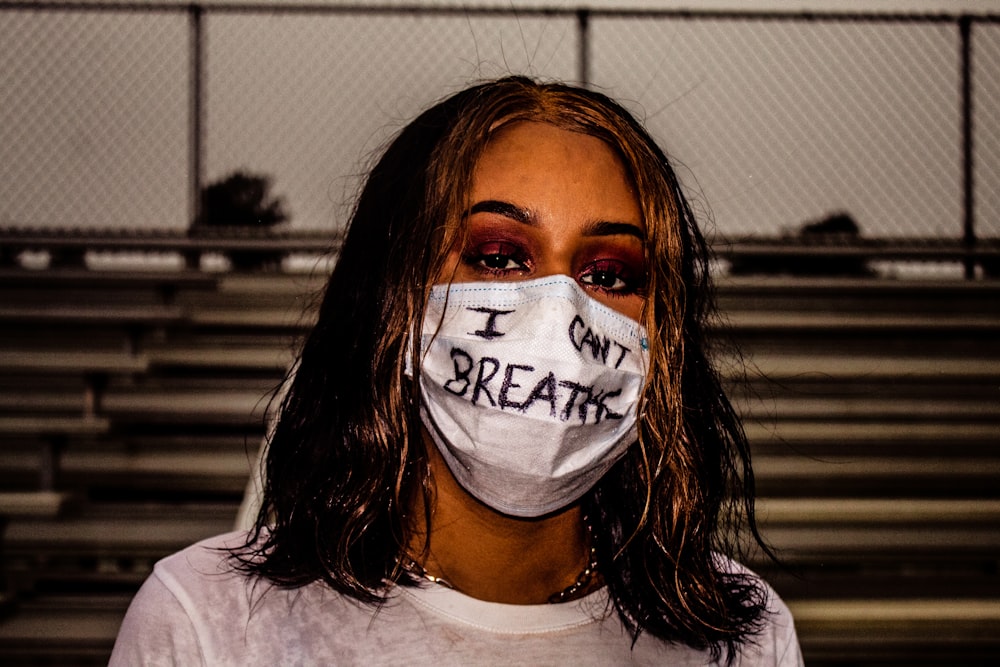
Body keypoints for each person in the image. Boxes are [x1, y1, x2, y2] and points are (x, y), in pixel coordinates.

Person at [110, 76, 802, 666]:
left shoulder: (740, 637)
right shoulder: (208, 622)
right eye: (499, 256)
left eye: (610, 272)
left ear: (665, 335)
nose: (558, 313)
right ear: (394, 299)